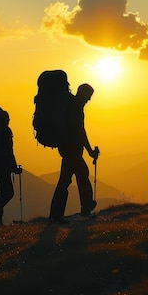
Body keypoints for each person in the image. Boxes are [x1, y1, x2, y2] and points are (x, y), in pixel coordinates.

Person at [49, 83, 100, 224]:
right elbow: (80, 132)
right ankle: (85, 207)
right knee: (79, 176)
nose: (88, 100)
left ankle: (57, 214)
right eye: (88, 97)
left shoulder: (70, 105)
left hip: (67, 149)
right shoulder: (76, 108)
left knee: (69, 179)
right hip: (72, 150)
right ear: (82, 94)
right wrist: (90, 151)